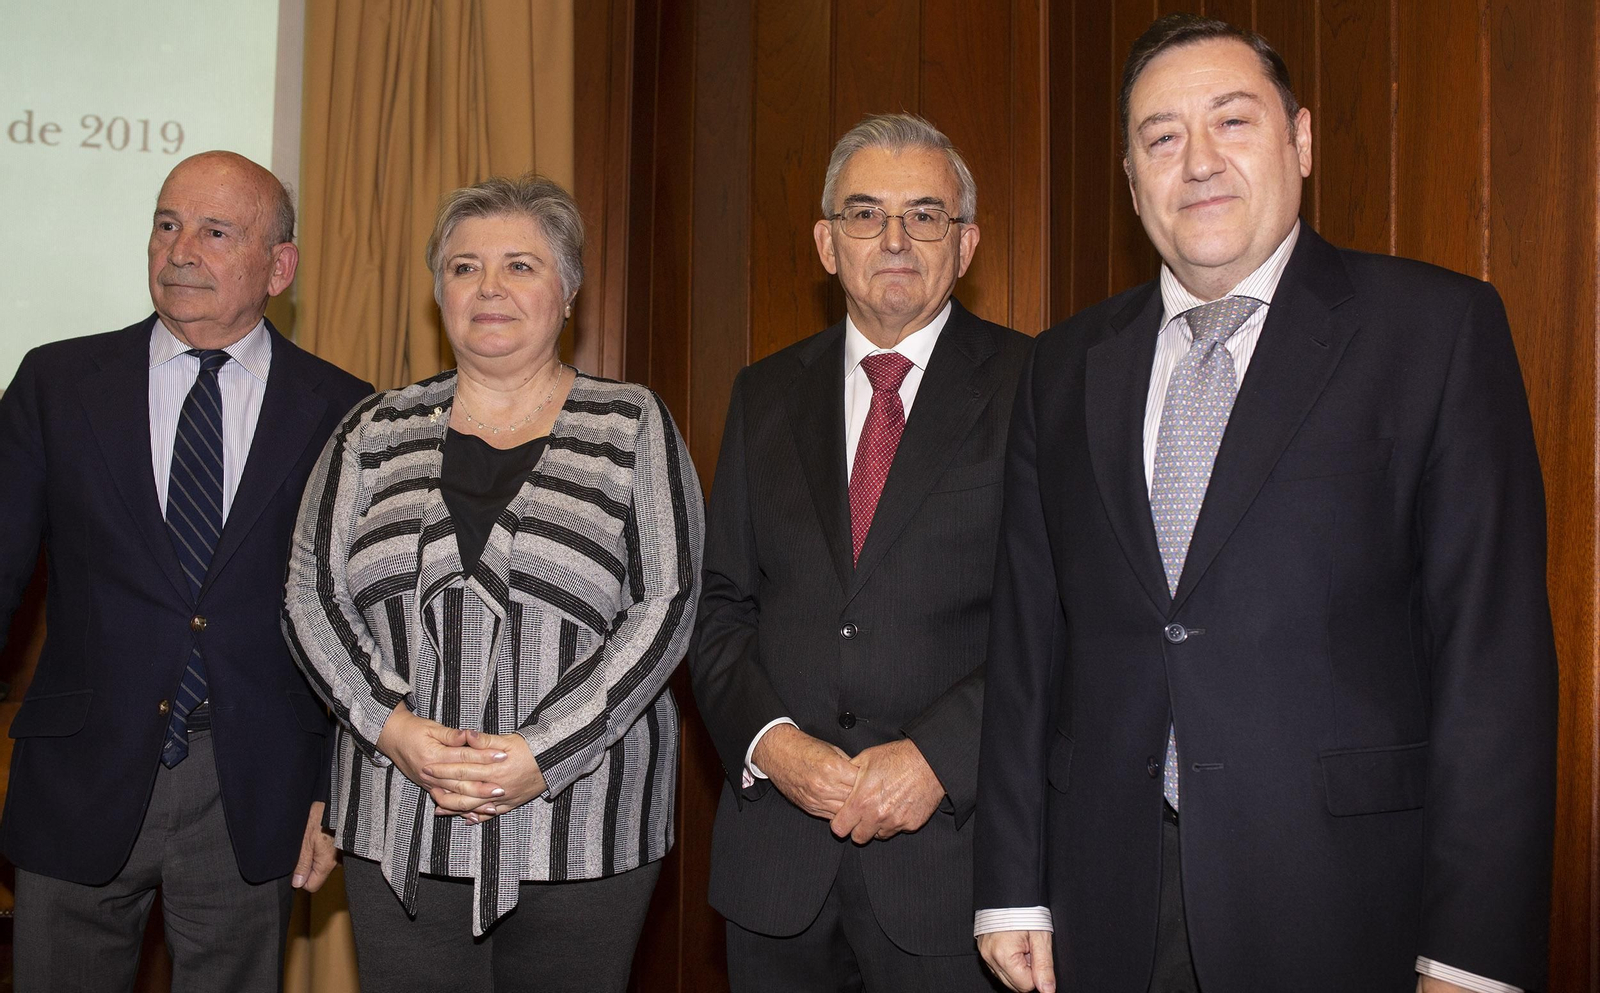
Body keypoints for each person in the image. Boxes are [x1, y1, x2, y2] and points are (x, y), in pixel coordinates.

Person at [973, 14, 1556, 993]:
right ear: (1130, 181)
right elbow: (1029, 643)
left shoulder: (1435, 332)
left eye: (1231, 122)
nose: (1195, 161)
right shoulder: (1064, 365)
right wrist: (1010, 887)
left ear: (1301, 141)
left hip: (1345, 901)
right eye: (1161, 138)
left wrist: (1473, 950)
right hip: (1105, 898)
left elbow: (1490, 664)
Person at [283, 174, 703, 993]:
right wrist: (391, 728)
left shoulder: (633, 424)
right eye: (464, 266)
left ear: (569, 289)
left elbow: (669, 604)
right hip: (397, 809)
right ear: (439, 289)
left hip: (582, 823)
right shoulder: (372, 429)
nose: (489, 288)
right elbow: (310, 593)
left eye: (520, 265)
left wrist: (540, 755)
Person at [0, 151, 372, 991]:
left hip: (253, 789)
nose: (181, 249)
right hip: (78, 773)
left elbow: (359, 627)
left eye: (215, 230)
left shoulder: (347, 411)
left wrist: (335, 790)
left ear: (280, 265)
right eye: (168, 224)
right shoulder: (56, 383)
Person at [691, 113, 1029, 991]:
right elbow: (721, 605)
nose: (894, 238)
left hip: (953, 865)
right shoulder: (763, 392)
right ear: (825, 242)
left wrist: (937, 759)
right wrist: (772, 744)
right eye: (865, 214)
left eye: (925, 215)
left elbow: (1060, 617)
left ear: (967, 244)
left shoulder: (1039, 387)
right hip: (777, 869)